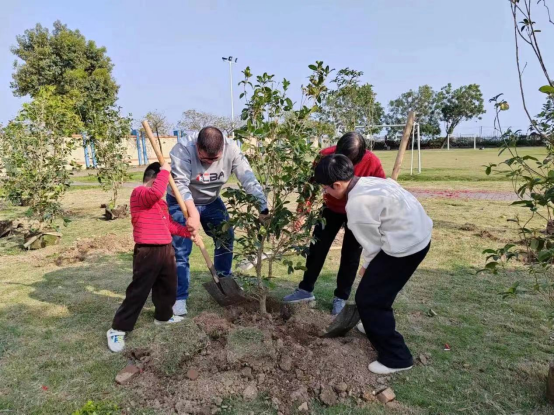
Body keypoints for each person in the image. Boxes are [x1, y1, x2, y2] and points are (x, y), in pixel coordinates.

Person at [314, 154, 433, 375]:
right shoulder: (369, 181)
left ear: (337, 184)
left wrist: (367, 266)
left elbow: (371, 245)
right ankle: (371, 325)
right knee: (378, 291)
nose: (326, 193)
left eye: (326, 189)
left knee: (369, 299)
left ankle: (396, 357)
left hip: (405, 247)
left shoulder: (357, 206)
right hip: (418, 234)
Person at [169, 126, 269, 316]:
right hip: (180, 201)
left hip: (211, 201)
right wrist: (192, 213)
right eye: (205, 159)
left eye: (214, 160)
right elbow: (180, 184)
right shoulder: (182, 149)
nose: (209, 164)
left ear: (223, 148)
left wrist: (263, 207)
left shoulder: (232, 149)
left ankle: (224, 280)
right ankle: (179, 297)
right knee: (181, 249)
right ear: (197, 146)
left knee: (226, 237)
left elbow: (248, 178)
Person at [283, 132, 386, 315]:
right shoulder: (325, 155)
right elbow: (311, 185)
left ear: (361, 155)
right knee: (317, 248)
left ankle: (341, 298)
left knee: (351, 255)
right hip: (330, 209)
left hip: (359, 213)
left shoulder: (372, 162)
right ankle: (305, 290)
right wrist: (302, 212)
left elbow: (381, 189)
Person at [107, 162, 192, 353]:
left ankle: (163, 316)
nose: (167, 188)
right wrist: (166, 171)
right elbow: (155, 192)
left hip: (165, 249)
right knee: (139, 290)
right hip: (147, 251)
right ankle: (118, 328)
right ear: (155, 178)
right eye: (166, 182)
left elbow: (169, 226)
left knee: (167, 287)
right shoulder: (139, 193)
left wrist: (187, 232)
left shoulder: (160, 203)